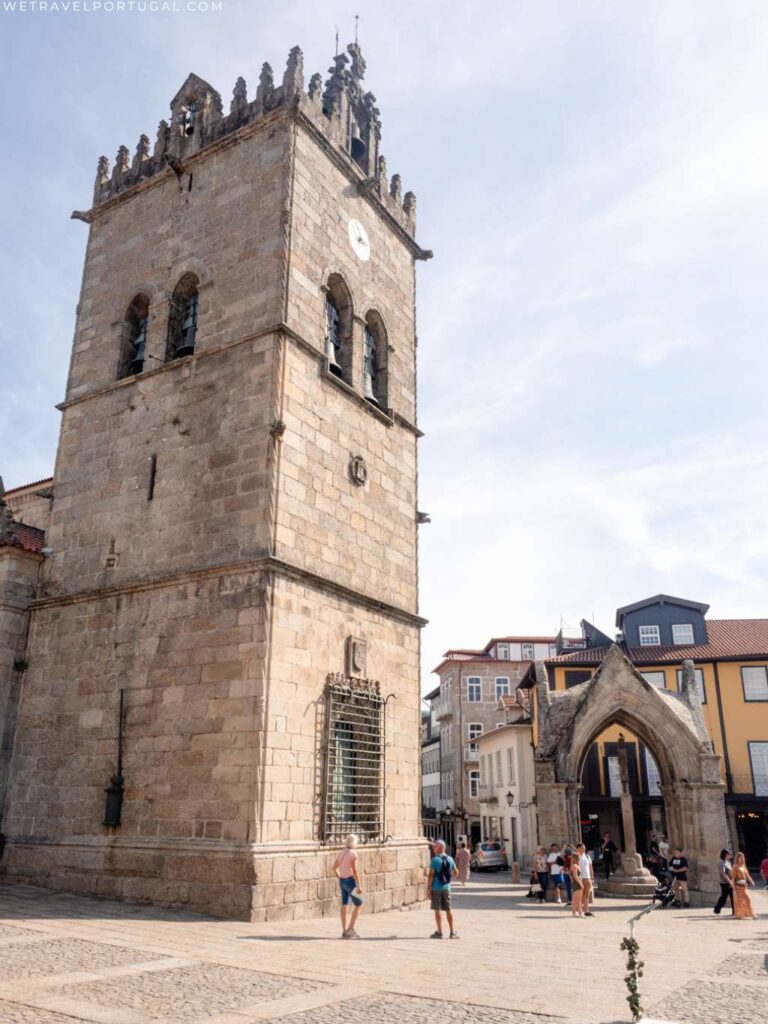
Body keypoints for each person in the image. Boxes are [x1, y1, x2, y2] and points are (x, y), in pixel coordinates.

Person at [333, 833, 364, 939]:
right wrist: (359, 886)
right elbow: (355, 870)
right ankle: (351, 929)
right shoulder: (353, 854)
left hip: (342, 880)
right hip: (350, 881)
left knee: (344, 904)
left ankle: (344, 930)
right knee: (359, 903)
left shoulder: (342, 852)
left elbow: (334, 867)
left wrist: (339, 877)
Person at [428, 838, 459, 938]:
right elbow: (456, 872)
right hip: (447, 888)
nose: (433, 847)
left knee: (437, 910)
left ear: (441, 848)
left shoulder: (434, 860)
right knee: (448, 909)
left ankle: (439, 932)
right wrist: (448, 877)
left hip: (436, 888)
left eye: (435, 846)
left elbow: (430, 875)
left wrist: (429, 889)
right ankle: (452, 932)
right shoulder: (450, 859)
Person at [732, 852, 757, 919]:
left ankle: (748, 914)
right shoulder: (735, 866)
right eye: (741, 857)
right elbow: (733, 878)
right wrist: (734, 887)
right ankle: (746, 915)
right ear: (738, 858)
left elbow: (747, 875)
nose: (742, 859)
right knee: (740, 901)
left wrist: (752, 881)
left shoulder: (743, 866)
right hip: (738, 887)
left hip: (744, 886)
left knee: (747, 899)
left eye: (743, 857)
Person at [713, 848, 734, 916]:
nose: (729, 856)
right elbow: (723, 873)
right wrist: (730, 882)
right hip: (724, 883)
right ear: (725, 855)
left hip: (730, 882)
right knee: (724, 897)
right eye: (728, 854)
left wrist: (732, 880)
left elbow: (731, 872)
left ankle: (735, 911)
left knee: (733, 897)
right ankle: (717, 910)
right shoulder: (721, 862)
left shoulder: (728, 862)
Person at [576, 843, 595, 917]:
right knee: (580, 894)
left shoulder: (587, 856)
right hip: (580, 878)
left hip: (587, 878)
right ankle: (579, 910)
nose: (584, 849)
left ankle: (586, 910)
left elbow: (590, 867)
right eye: (582, 848)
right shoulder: (576, 856)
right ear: (578, 848)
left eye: (584, 848)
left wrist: (592, 877)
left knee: (587, 895)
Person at [570, 849, 584, 917]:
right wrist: (580, 884)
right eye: (578, 857)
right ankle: (579, 913)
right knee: (578, 899)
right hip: (577, 883)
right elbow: (575, 876)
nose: (580, 858)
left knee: (577, 899)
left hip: (578, 882)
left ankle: (574, 913)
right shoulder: (575, 866)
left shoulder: (576, 865)